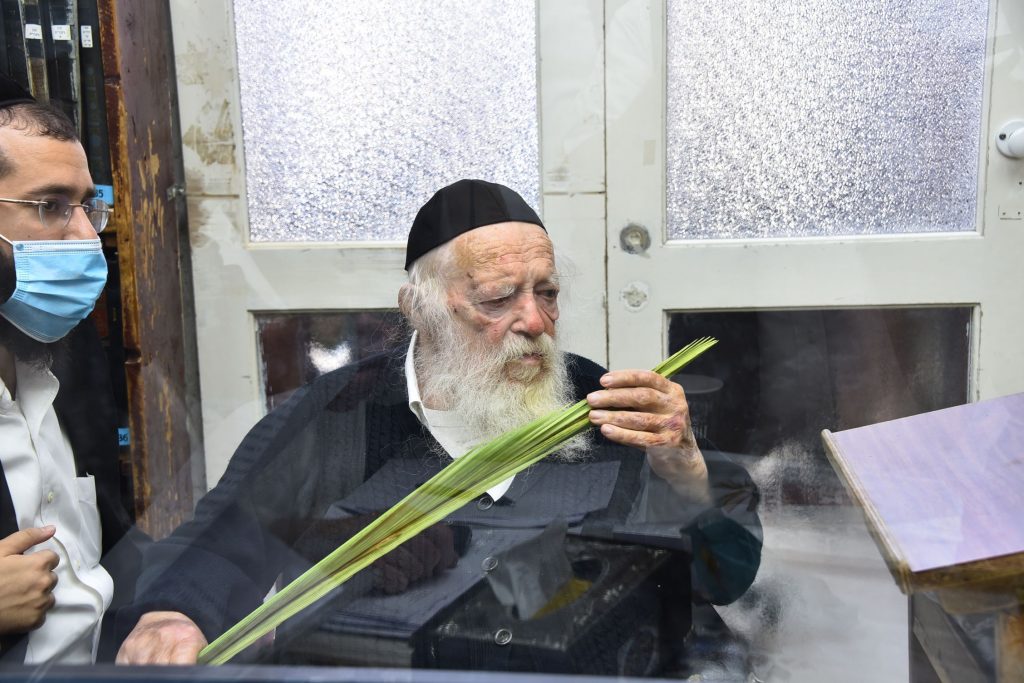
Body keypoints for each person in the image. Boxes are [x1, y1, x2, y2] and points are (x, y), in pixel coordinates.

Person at [117, 179, 762, 673]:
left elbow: (722, 577)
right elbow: (223, 539)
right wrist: (174, 616)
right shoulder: (340, 415)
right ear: (418, 310)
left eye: (547, 293)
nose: (534, 321)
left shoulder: (605, 410)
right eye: (497, 298)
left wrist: (688, 473)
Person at [0, 73, 144, 665]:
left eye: (89, 206)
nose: (87, 237)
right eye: (50, 206)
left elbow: (110, 552)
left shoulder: (60, 372)